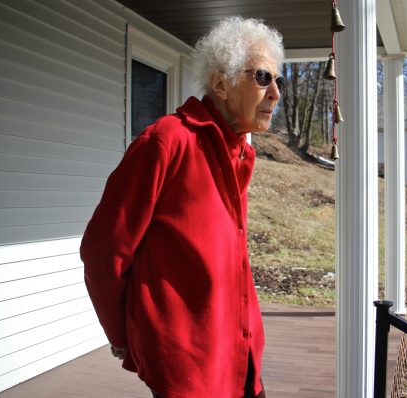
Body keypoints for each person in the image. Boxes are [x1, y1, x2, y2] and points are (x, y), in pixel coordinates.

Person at [81, 16, 284, 398]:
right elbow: (103, 250)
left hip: (240, 364)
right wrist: (123, 335)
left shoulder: (237, 151)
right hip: (189, 376)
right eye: (262, 77)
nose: (275, 92)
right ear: (221, 83)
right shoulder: (166, 142)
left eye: (278, 80)